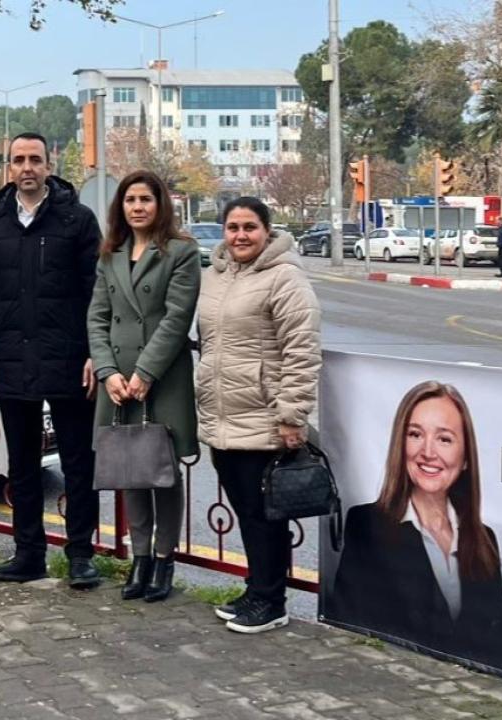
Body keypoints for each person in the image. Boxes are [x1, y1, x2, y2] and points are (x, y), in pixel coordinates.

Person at [0, 132, 103, 589]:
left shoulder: (78, 221)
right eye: (19, 160)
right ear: (9, 167)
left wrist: (92, 354)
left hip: (67, 359)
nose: (27, 167)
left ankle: (81, 554)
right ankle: (29, 554)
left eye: (35, 160)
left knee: (78, 463)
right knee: (21, 463)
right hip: (10, 359)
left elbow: (94, 294)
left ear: (49, 164)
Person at [197, 197, 321, 634]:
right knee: (247, 511)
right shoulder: (214, 276)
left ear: (267, 231)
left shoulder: (285, 278)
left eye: (250, 227)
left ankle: (271, 602)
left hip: (264, 416)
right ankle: (256, 589)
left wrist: (292, 414)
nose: (240, 236)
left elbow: (301, 349)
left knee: (266, 514)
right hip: (222, 416)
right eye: (232, 227)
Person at [328, 381, 502, 664]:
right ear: (399, 444)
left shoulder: (483, 538)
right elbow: (350, 622)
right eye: (415, 434)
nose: (428, 451)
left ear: (466, 458)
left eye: (444, 439)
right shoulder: (367, 524)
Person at [87, 170, 200, 603]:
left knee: (162, 470)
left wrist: (145, 373)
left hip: (161, 377)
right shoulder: (110, 253)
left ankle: (165, 557)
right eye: (130, 200)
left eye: (145, 200)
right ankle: (140, 558)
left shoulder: (181, 252)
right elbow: (97, 317)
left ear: (160, 205)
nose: (137, 207)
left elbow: (176, 318)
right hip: (118, 380)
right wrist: (107, 372)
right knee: (132, 470)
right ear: (121, 206)